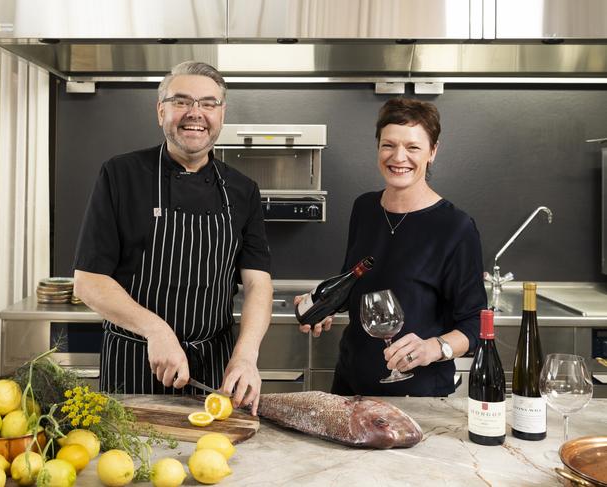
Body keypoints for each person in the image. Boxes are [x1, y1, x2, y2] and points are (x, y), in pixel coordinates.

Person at [73, 61, 273, 413]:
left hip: (213, 370)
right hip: (133, 365)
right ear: (160, 110)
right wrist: (155, 330)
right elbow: (89, 282)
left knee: (214, 463)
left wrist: (246, 356)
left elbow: (258, 284)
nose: (195, 113)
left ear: (221, 114)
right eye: (182, 101)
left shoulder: (243, 190)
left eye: (208, 103)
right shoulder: (121, 175)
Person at [297, 98, 487, 397]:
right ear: (378, 148)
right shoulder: (365, 208)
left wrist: (433, 348)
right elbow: (356, 282)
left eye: (413, 147)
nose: (399, 157)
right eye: (389, 145)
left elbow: (476, 323)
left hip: (418, 392)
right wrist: (328, 307)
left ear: (432, 152)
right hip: (350, 383)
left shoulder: (455, 227)